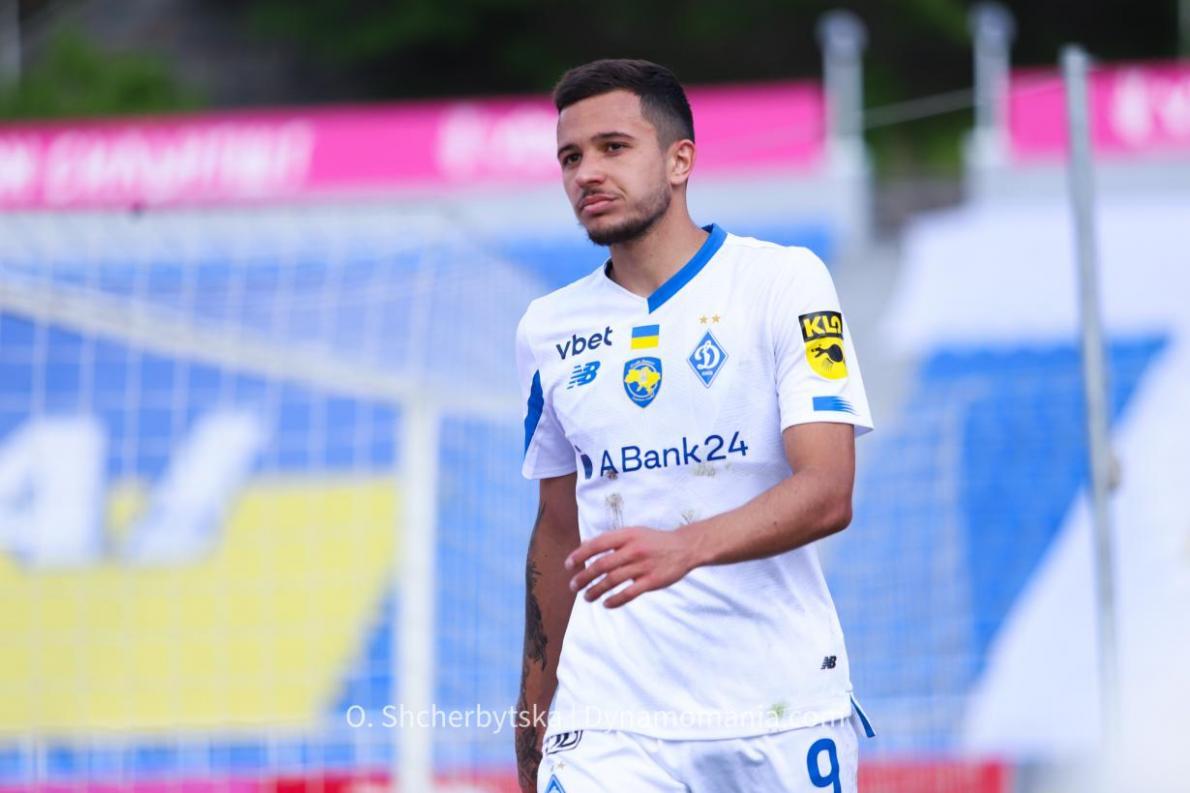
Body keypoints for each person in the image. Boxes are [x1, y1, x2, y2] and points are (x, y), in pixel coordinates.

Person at [514, 58, 875, 793]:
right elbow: (557, 528)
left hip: (779, 704)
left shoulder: (784, 281)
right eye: (570, 157)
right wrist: (532, 714)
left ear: (680, 160)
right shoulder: (547, 327)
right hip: (608, 718)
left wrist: (684, 547)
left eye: (614, 147)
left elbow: (829, 489)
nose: (587, 173)